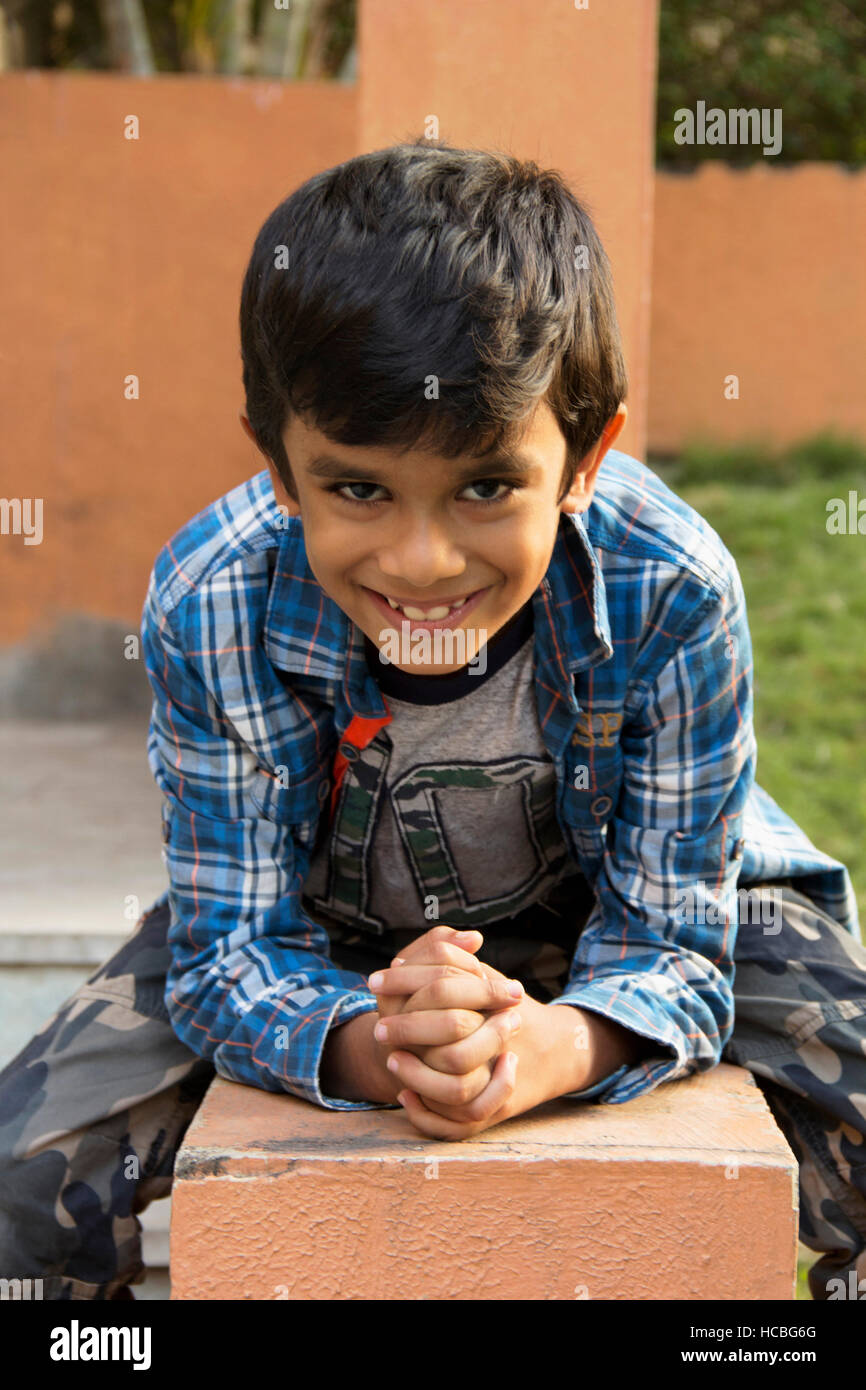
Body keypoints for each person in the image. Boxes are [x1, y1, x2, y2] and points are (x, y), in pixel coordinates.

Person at [2, 138, 865, 1302]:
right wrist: (378, 1046)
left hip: (633, 902)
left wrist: (545, 1049)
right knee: (20, 1174)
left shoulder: (671, 588)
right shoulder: (215, 600)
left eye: (484, 486)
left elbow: (673, 940)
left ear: (583, 456)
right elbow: (232, 950)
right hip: (333, 933)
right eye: (358, 489)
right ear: (276, 467)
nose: (421, 560)